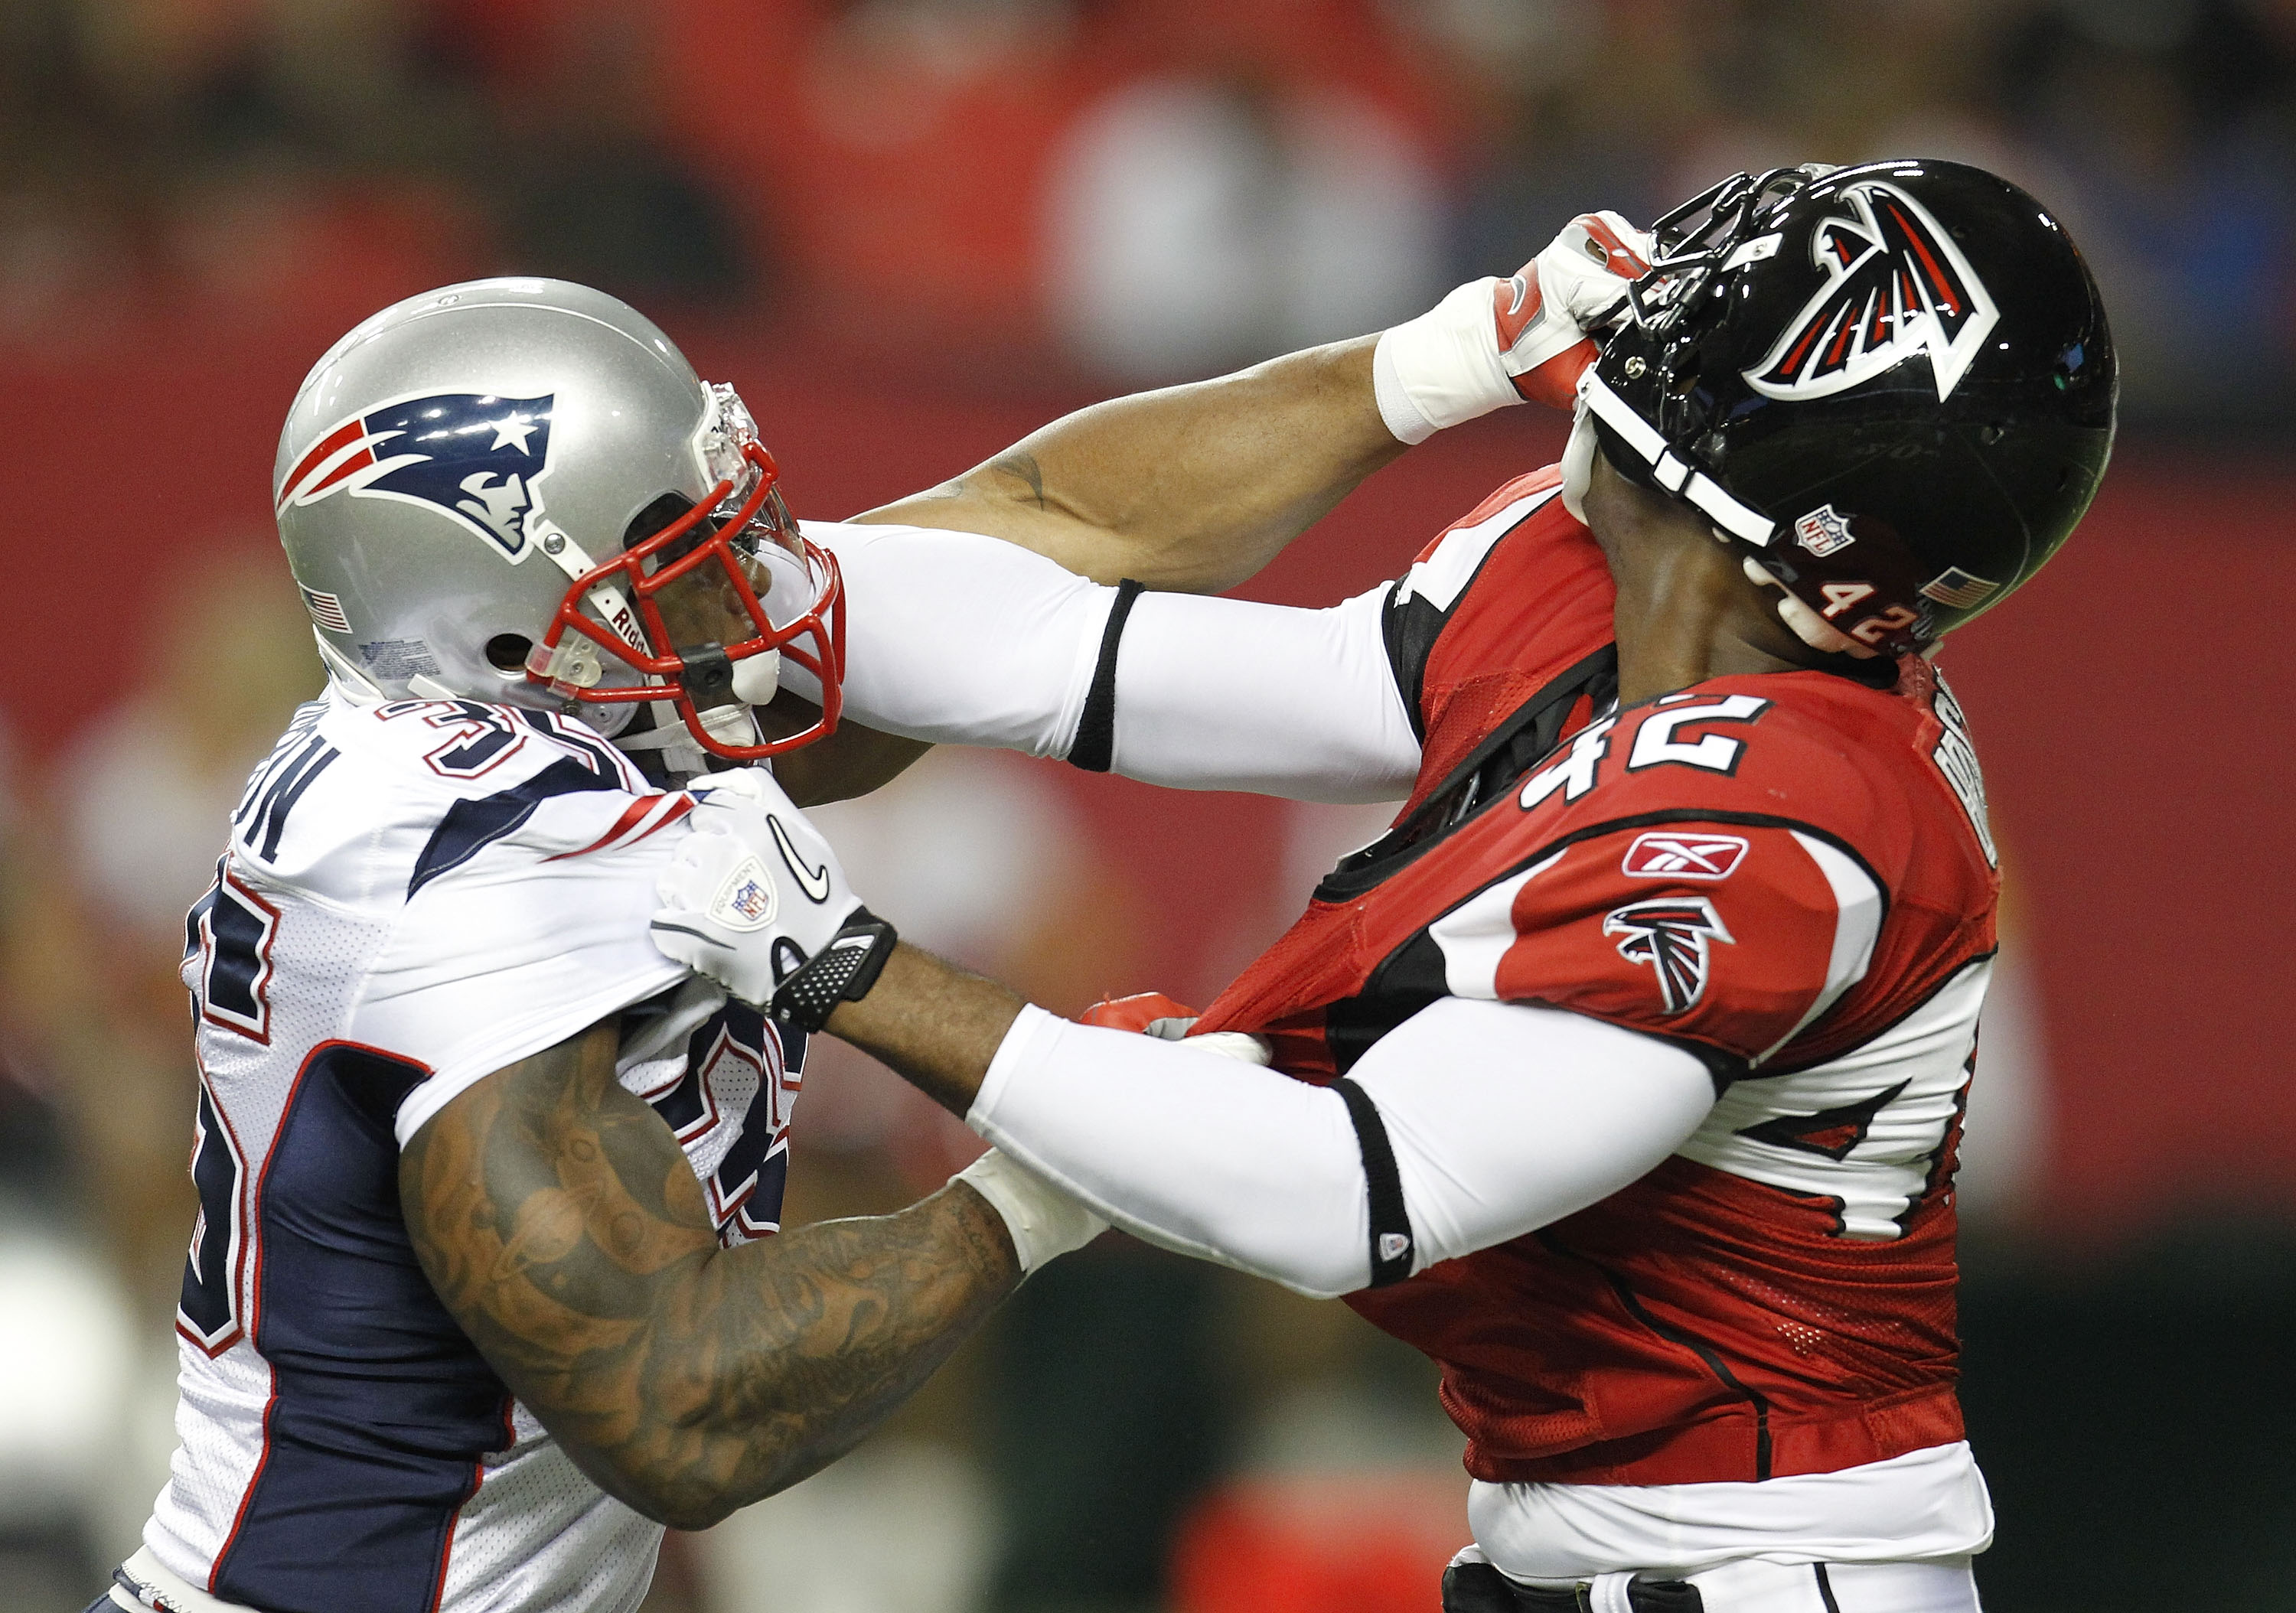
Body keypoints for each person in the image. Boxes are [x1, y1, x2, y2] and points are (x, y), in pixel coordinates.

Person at [651, 160, 2117, 1612]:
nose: (1649, 294)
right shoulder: (1598, 585)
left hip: (1758, 1572)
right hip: (1583, 1546)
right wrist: (752, 593)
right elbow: (1071, 658)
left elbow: (1347, 1187)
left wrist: (836, 957)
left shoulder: (1791, 837)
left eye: (1723, 291)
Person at [93, 283, 1110, 1613]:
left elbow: (1049, 533)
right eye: (665, 557)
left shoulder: (463, 758)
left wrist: (1405, 377)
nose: (736, 601)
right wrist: (1040, 1190)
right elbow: (678, 1404)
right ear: (491, 603)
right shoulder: (457, 861)